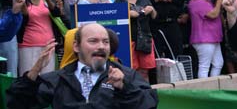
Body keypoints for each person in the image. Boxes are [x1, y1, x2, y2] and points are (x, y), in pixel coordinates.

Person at [7, 24, 157, 108]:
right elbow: (17, 104)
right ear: (76, 47)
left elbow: (149, 104)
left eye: (105, 42)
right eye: (93, 41)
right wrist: (34, 71)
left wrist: (125, 88)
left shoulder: (126, 75)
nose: (101, 47)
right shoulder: (59, 78)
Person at [17, 0, 66, 76]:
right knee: (29, 79)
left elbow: (57, 14)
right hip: (28, 46)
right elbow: (25, 17)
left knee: (48, 80)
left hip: (49, 46)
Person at [116, 0, 157, 82]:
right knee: (131, 70)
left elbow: (154, 16)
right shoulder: (119, 1)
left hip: (145, 39)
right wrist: (127, 14)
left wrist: (152, 10)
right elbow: (114, 20)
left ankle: (146, 93)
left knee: (145, 70)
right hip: (129, 40)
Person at [188, 0, 224, 78]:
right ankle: (204, 91)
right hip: (204, 39)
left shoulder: (205, 1)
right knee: (204, 66)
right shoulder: (196, 2)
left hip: (212, 38)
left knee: (218, 63)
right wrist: (219, 2)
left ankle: (213, 86)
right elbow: (213, 14)